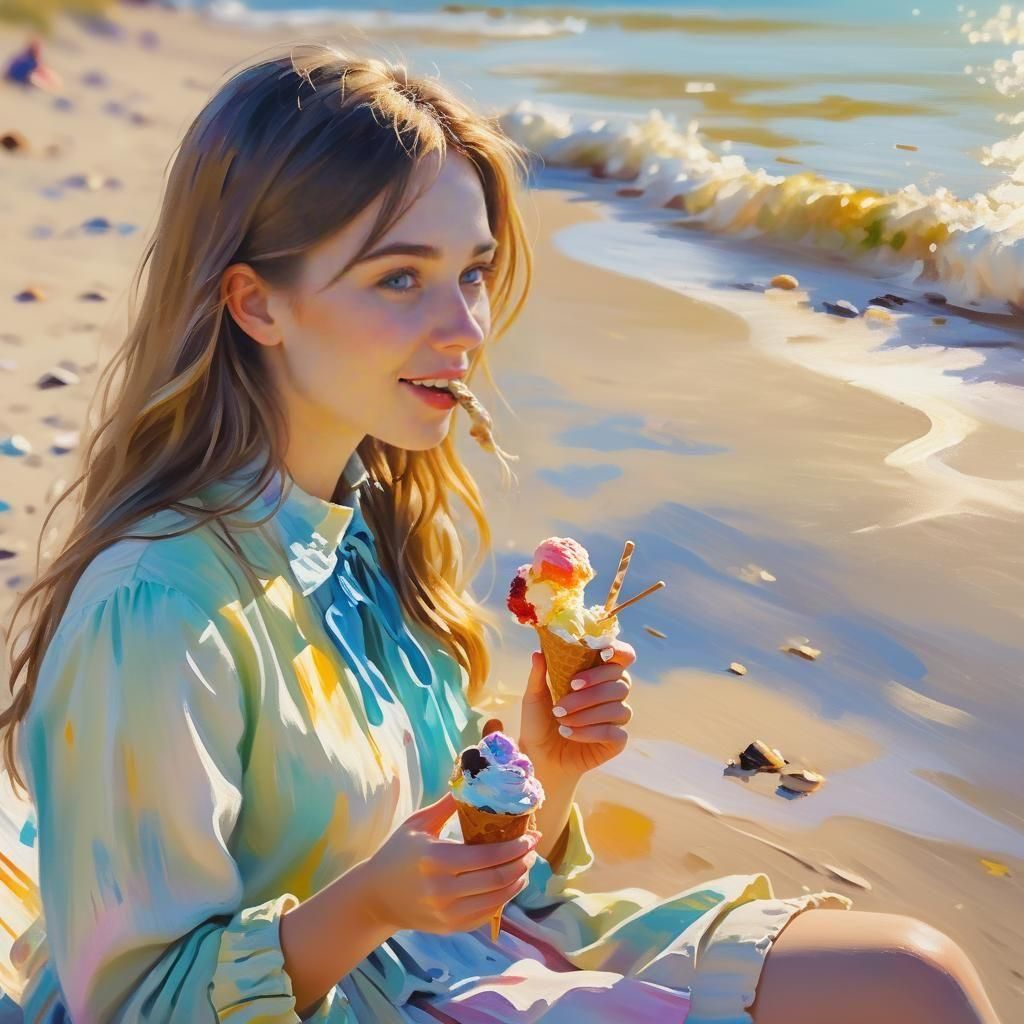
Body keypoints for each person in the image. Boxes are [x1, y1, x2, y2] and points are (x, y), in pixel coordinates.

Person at [0, 44, 1003, 1024]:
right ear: (255, 301)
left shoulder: (370, 529)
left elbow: (457, 876)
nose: (467, 326)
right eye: (400, 279)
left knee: (920, 979)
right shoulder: (157, 607)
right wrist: (368, 908)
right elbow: (132, 1003)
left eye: (471, 272)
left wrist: (547, 768)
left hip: (464, 956)